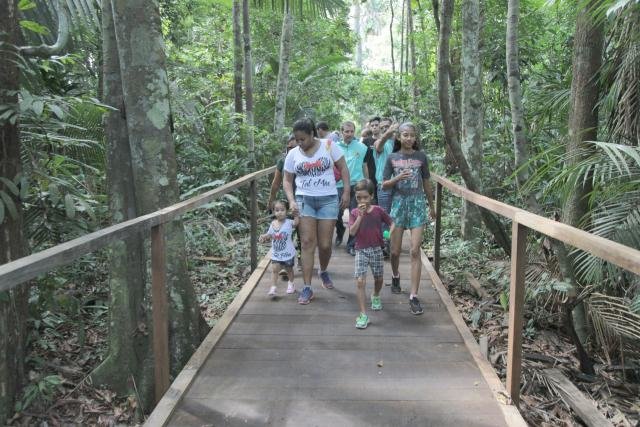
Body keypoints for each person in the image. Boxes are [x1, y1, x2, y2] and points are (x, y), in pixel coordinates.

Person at [283, 118, 350, 304]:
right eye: (297, 140)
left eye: (302, 139)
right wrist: (291, 200)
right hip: (305, 200)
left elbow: (343, 167)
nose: (299, 143)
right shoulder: (293, 154)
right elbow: (287, 179)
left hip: (328, 199)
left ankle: (323, 270)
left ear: (312, 134)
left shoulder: (329, 146)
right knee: (306, 242)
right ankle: (307, 287)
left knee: (326, 244)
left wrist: (346, 191)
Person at [382, 122, 436, 315]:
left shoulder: (421, 157)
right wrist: (397, 179)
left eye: (412, 135)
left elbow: (427, 182)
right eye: (405, 135)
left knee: (414, 251)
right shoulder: (392, 157)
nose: (408, 138)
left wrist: (432, 206)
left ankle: (414, 295)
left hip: (417, 204)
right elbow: (383, 185)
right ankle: (396, 275)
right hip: (398, 204)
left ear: (415, 137)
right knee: (395, 251)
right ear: (399, 137)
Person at [349, 179, 393, 329]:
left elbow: (391, 223)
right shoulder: (354, 213)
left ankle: (375, 294)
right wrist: (360, 216)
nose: (362, 201)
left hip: (376, 249)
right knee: (360, 281)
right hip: (361, 249)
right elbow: (352, 232)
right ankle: (363, 314)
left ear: (372, 196)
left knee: (379, 278)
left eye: (365, 197)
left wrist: (389, 235)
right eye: (358, 198)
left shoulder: (378, 211)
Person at [335, 121, 369, 256]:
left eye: (351, 131)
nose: (349, 134)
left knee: (355, 215)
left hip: (357, 185)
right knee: (335, 214)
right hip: (339, 185)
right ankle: (340, 230)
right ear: (341, 132)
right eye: (346, 131)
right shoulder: (334, 147)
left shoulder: (362, 147)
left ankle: (351, 244)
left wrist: (367, 182)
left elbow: (365, 165)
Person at [259, 200, 299, 297]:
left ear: (286, 211)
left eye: (282, 210)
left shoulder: (289, 222)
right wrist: (264, 236)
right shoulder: (273, 224)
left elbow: (296, 223)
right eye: (277, 210)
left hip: (288, 253)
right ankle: (273, 287)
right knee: (274, 270)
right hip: (276, 253)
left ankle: (291, 284)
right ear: (274, 212)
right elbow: (270, 235)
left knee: (289, 269)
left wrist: (296, 214)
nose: (279, 212)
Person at [373, 117, 398, 257]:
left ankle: (393, 242)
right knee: (385, 216)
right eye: (382, 128)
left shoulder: (400, 143)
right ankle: (385, 243)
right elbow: (380, 144)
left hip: (401, 185)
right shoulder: (379, 142)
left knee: (397, 215)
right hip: (384, 185)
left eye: (387, 127)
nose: (384, 129)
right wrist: (389, 132)